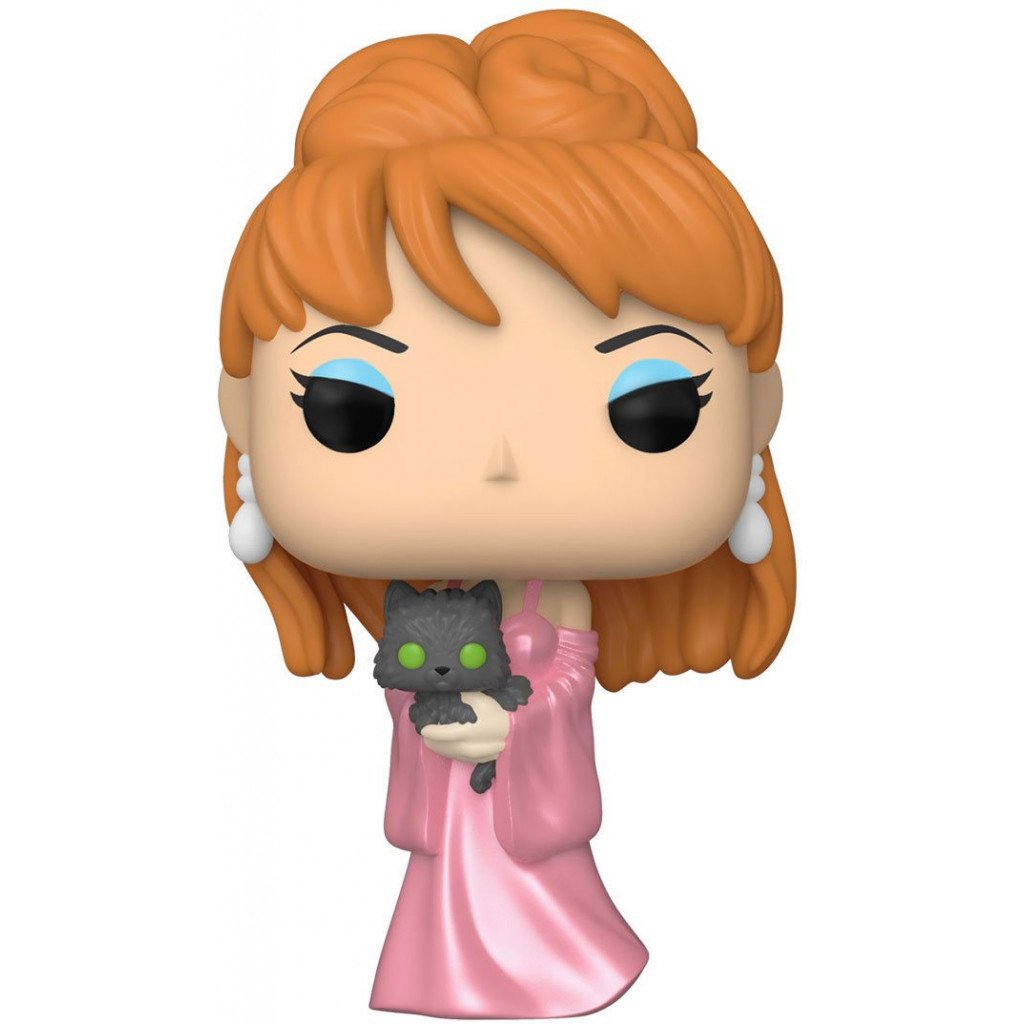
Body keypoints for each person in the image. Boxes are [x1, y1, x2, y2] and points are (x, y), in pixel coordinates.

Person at [217, 9, 796, 1017]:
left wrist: (511, 719)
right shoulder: (424, 590)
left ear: (757, 409)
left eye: (650, 407)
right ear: (244, 416)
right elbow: (401, 678)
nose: (500, 463)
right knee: (450, 896)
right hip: (455, 786)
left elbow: (566, 672)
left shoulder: (550, 594)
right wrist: (429, 715)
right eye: (353, 408)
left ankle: (554, 970)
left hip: (517, 780)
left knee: (525, 902)